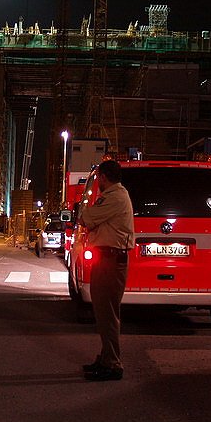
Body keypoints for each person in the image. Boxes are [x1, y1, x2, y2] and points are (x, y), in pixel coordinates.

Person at [77, 159, 135, 381]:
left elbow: (86, 218)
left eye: (99, 178)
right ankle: (105, 358)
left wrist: (85, 209)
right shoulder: (115, 196)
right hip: (108, 260)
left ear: (103, 177)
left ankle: (112, 364)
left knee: (107, 314)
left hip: (111, 262)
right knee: (103, 313)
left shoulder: (115, 197)